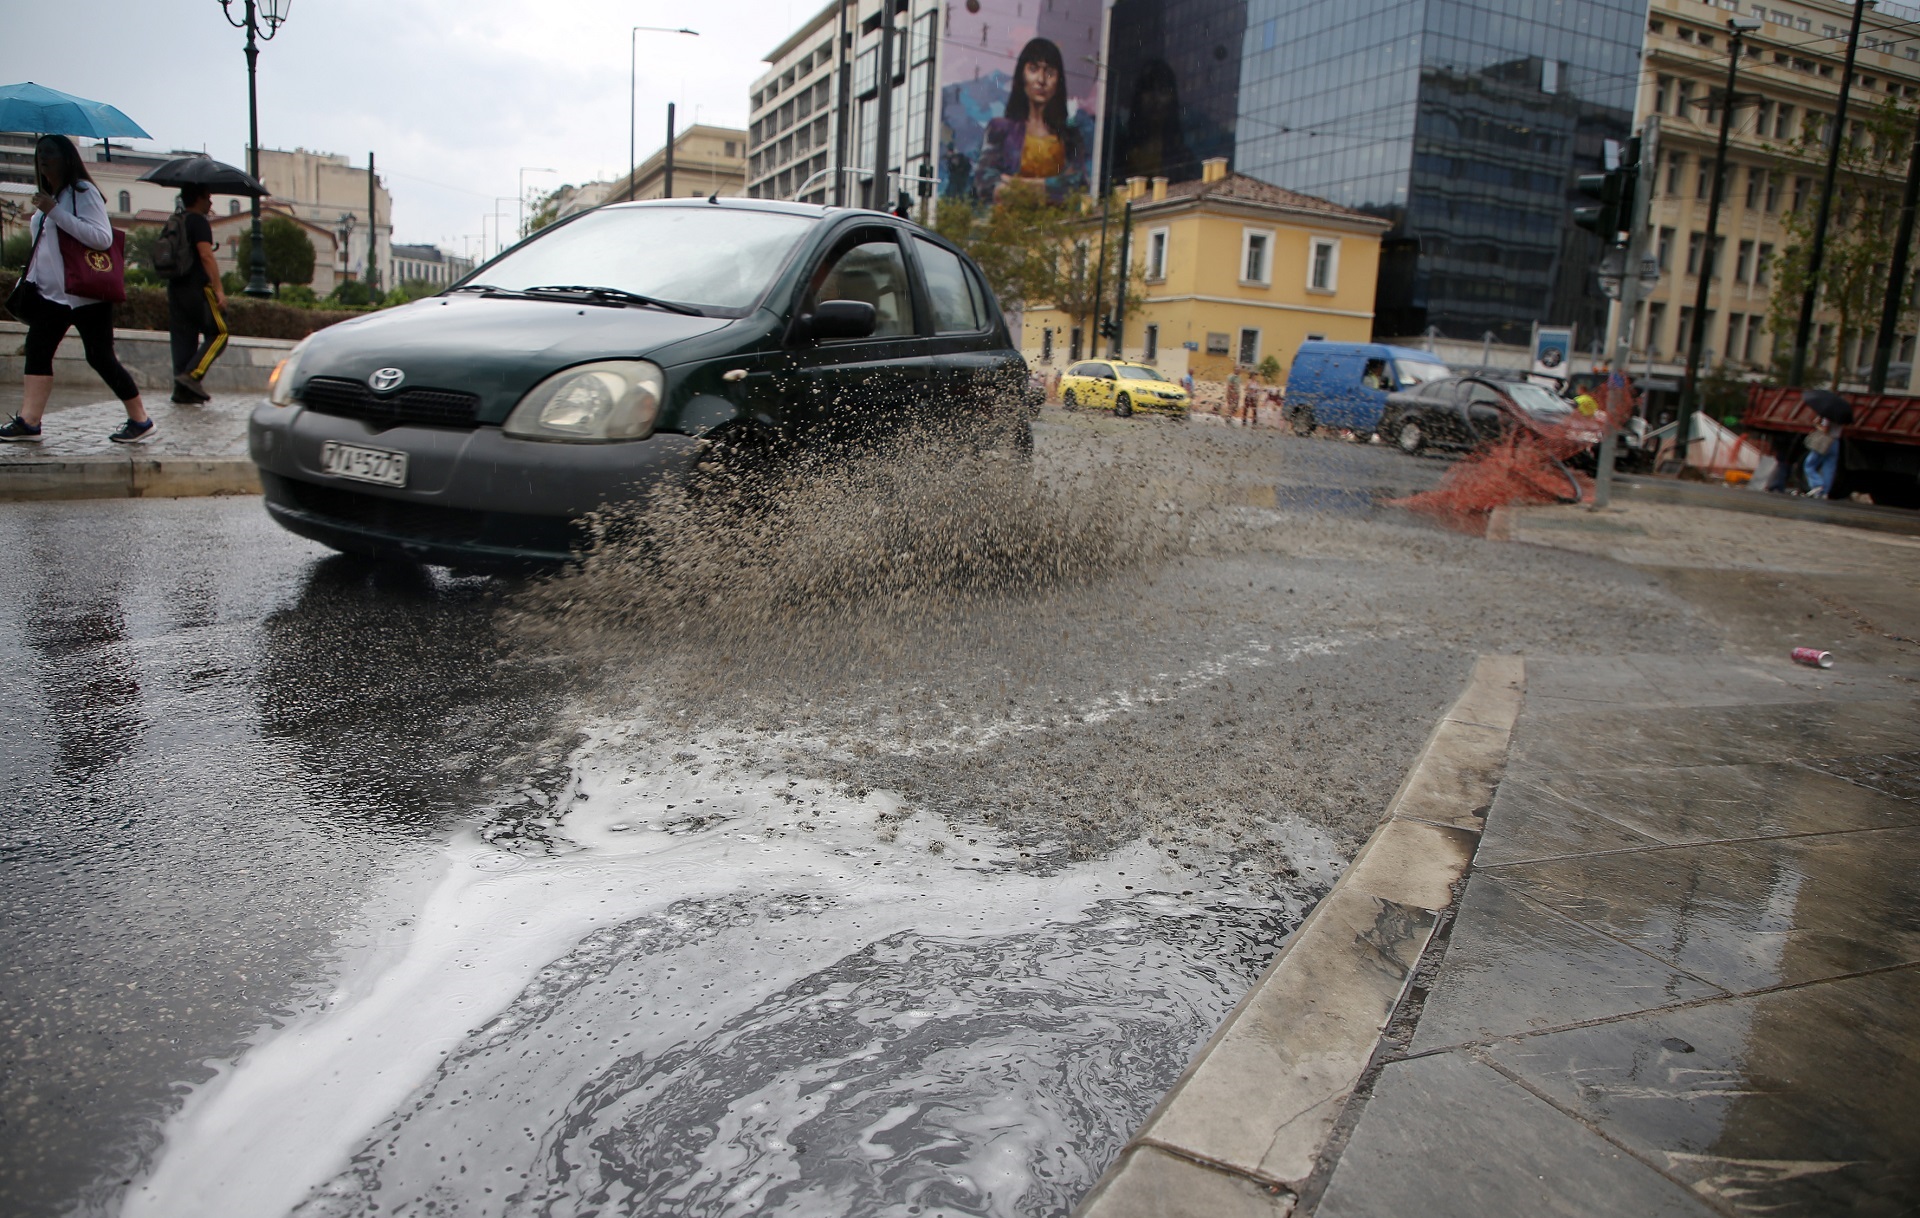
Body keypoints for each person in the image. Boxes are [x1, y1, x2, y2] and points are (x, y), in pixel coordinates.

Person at [0, 135, 154, 444]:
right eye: (40, 153)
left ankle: (140, 419)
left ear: (67, 158)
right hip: (50, 295)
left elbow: (101, 238)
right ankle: (30, 421)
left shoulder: (83, 192)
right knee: (37, 351)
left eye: (51, 153)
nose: (43, 158)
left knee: (100, 357)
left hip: (85, 294)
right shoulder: (48, 196)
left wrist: (55, 211)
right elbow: (44, 246)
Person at [970, 38, 1088, 204]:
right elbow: (984, 183)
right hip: (1010, 218)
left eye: (1049, 72)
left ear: (1058, 81)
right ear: (1022, 75)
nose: (1041, 80)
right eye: (1033, 69)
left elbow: (1077, 185)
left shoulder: (1070, 135)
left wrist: (1021, 185)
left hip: (1058, 219)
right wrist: (1051, 189)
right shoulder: (1001, 129)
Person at [167, 184, 228, 403]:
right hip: (197, 288)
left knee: (183, 338)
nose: (210, 202)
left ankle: (182, 391)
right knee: (220, 333)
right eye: (208, 197)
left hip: (176, 288)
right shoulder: (198, 222)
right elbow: (206, 255)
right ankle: (192, 376)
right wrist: (218, 288)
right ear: (198, 198)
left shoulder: (176, 220)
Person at [1803, 415, 1841, 498]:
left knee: (1809, 464)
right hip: (1836, 442)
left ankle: (1817, 485)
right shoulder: (1841, 417)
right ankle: (1825, 492)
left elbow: (1825, 429)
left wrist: (1817, 424)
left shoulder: (1828, 415)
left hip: (1825, 441)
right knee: (1829, 468)